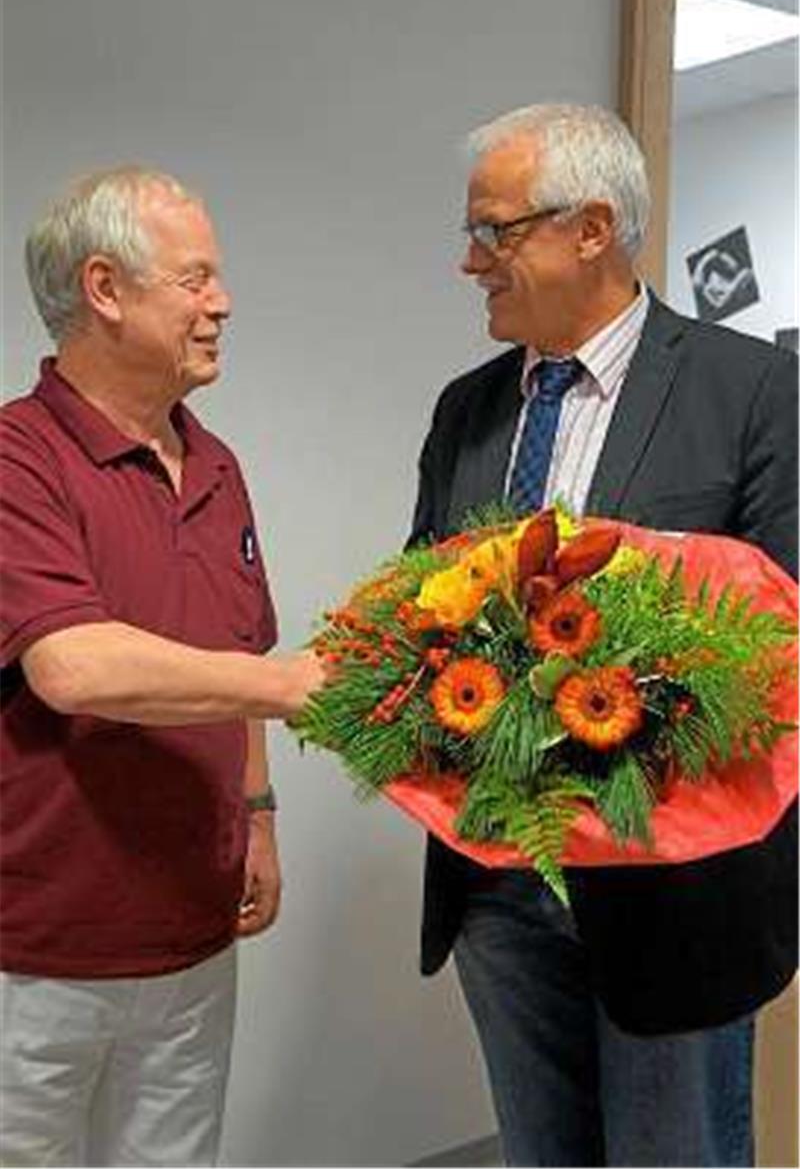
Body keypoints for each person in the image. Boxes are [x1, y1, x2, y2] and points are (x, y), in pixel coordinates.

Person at [409, 104, 797, 1167]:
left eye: (492, 232)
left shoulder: (756, 392)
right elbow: (419, 613)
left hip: (673, 896)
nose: (468, 261)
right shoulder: (466, 411)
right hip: (497, 884)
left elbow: (773, 643)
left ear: (589, 228)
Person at [0, 166, 326, 1167]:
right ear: (105, 289)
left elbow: (237, 656)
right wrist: (288, 685)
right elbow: (74, 665)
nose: (220, 302)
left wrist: (259, 821)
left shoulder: (217, 465)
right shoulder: (16, 458)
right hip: (35, 952)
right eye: (195, 278)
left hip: (190, 933)